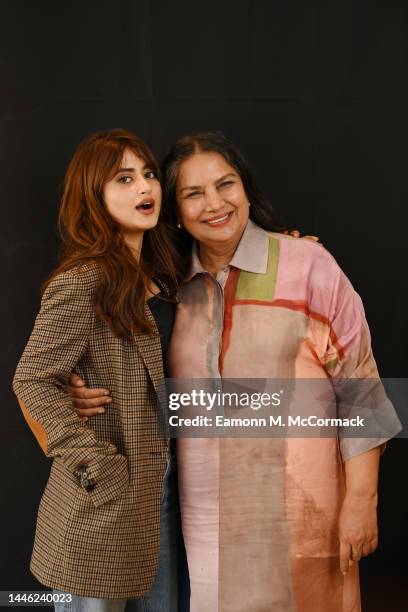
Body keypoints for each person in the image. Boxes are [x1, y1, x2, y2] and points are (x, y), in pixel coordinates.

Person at [70, 131, 401, 611]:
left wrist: (361, 502)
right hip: (206, 532)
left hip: (305, 519)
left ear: (246, 188)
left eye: (226, 185)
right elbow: (141, 383)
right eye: (193, 193)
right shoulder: (167, 290)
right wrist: (81, 394)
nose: (215, 204)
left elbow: (361, 390)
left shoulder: (309, 266)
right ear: (175, 212)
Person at [13, 129, 184, 611]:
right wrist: (98, 466)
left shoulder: (162, 275)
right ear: (94, 197)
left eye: (148, 174)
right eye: (124, 179)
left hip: (161, 491)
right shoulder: (84, 281)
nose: (145, 187)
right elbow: (32, 380)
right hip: (103, 498)